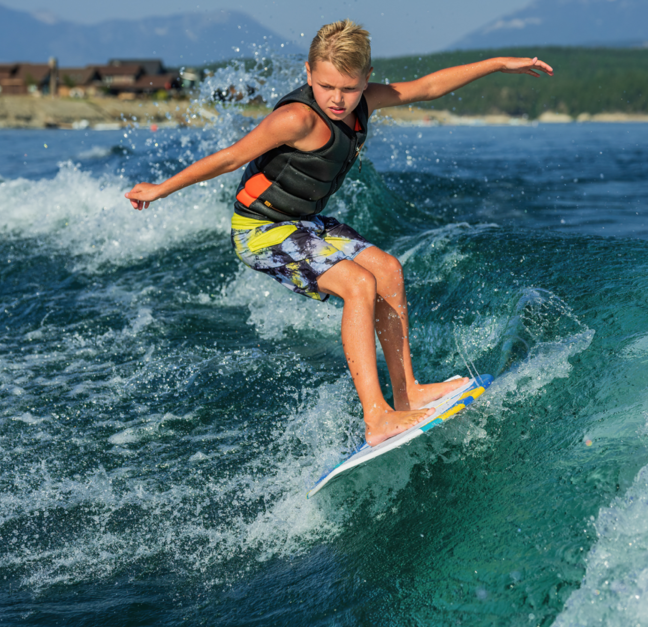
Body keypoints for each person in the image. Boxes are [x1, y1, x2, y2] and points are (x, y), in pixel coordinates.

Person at [125, 20, 552, 446]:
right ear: (309, 74)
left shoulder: (364, 101)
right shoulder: (295, 119)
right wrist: (162, 189)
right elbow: (231, 158)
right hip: (260, 230)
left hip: (303, 222)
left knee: (387, 271)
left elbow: (427, 88)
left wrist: (497, 63)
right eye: (326, 86)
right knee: (358, 284)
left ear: (365, 79)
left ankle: (407, 392)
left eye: (348, 89)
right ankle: (377, 417)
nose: (337, 99)